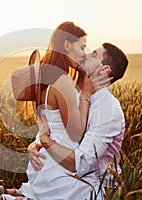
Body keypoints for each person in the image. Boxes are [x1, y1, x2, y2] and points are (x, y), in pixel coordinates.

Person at [0, 22, 112, 200]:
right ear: (67, 45)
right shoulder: (63, 81)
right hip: (60, 166)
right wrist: (85, 94)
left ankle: (10, 197)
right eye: (82, 47)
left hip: (47, 161)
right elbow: (75, 134)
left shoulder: (46, 80)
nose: (84, 54)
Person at [30, 42, 129, 199]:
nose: (86, 54)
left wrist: (46, 141)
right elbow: (59, 132)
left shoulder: (107, 110)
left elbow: (82, 164)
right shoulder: (82, 97)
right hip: (75, 177)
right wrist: (35, 145)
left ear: (104, 70)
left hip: (95, 188)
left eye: (94, 55)